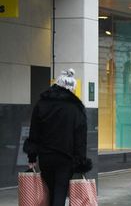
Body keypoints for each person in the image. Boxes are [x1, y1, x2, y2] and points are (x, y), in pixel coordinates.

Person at [23, 69, 92, 206]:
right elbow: (80, 140)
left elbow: (34, 132)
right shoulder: (75, 108)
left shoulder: (41, 104)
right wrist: (80, 163)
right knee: (60, 192)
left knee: (50, 191)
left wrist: (32, 157)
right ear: (71, 88)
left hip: (45, 157)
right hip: (65, 158)